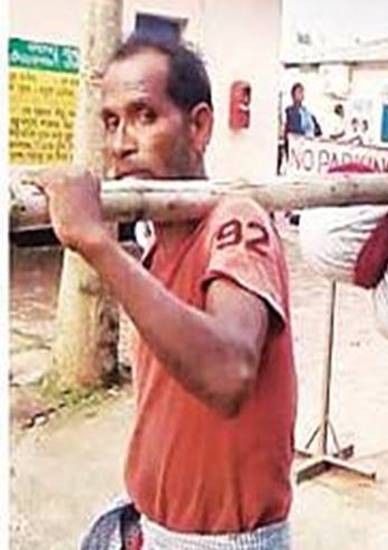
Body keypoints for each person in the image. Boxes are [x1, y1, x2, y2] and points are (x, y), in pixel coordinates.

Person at [37, 34, 297, 549]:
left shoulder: (236, 221)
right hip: (153, 529)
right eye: (111, 123)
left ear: (199, 126)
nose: (120, 144)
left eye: (144, 116)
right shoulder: (155, 249)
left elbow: (228, 374)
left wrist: (96, 243)